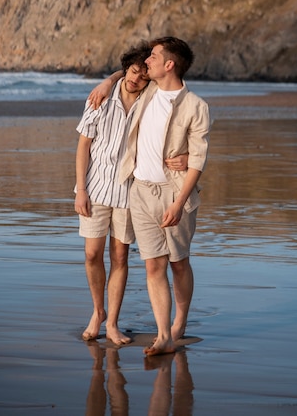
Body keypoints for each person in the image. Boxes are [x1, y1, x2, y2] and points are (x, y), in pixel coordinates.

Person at [91, 37, 210, 356]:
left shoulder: (196, 106)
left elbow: (198, 158)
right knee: (153, 266)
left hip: (175, 193)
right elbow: (127, 75)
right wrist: (109, 80)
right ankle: (162, 335)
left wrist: (180, 201)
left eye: (155, 57)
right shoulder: (148, 91)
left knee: (179, 263)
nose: (149, 62)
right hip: (140, 191)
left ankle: (179, 323)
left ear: (169, 64)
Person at [75, 42, 187, 345]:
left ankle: (112, 322)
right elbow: (83, 146)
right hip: (96, 187)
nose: (136, 79)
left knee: (120, 257)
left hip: (129, 191)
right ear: (125, 69)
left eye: (142, 75)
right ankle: (97, 312)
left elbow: (174, 106)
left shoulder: (149, 100)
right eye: (132, 72)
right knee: (91, 254)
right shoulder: (100, 99)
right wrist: (80, 189)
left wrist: (187, 157)